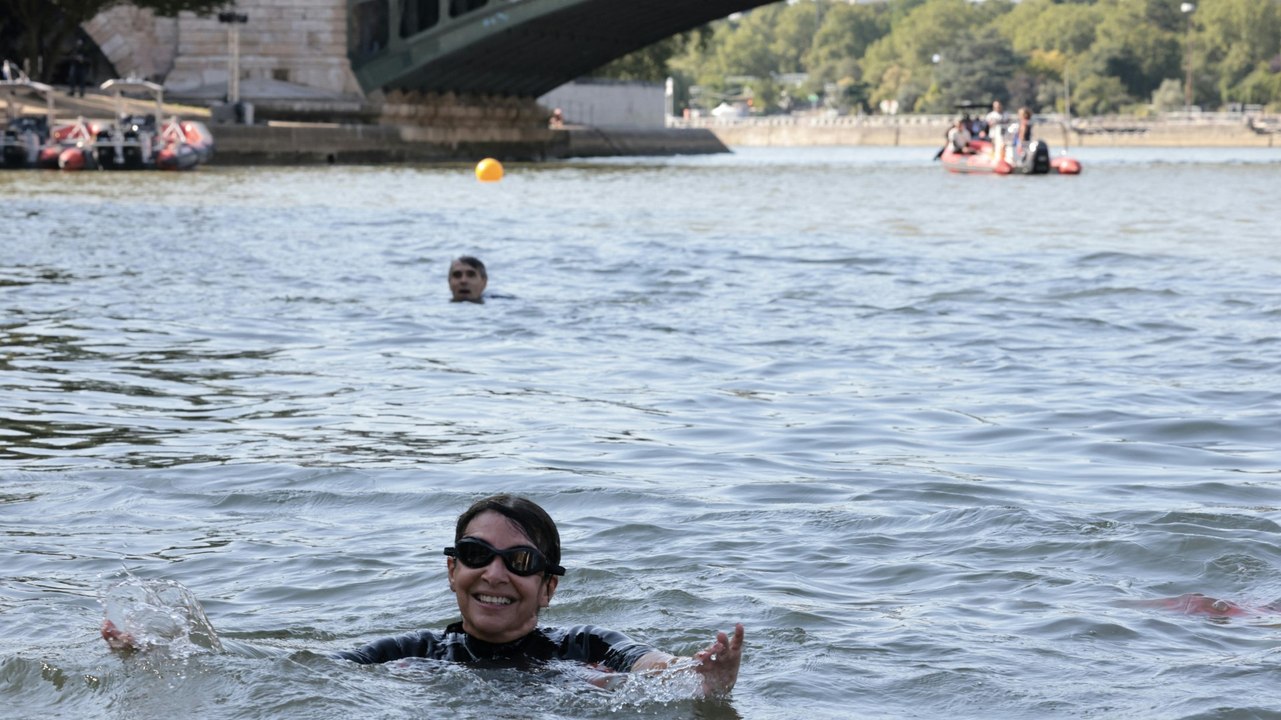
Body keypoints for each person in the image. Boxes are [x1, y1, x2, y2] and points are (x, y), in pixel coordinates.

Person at [103, 494, 746, 699]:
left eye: (519, 562)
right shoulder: (415, 652)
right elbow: (294, 675)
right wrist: (172, 656)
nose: (493, 574)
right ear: (451, 571)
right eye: (475, 556)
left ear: (549, 588)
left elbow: (654, 670)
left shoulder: (587, 648)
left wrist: (704, 678)